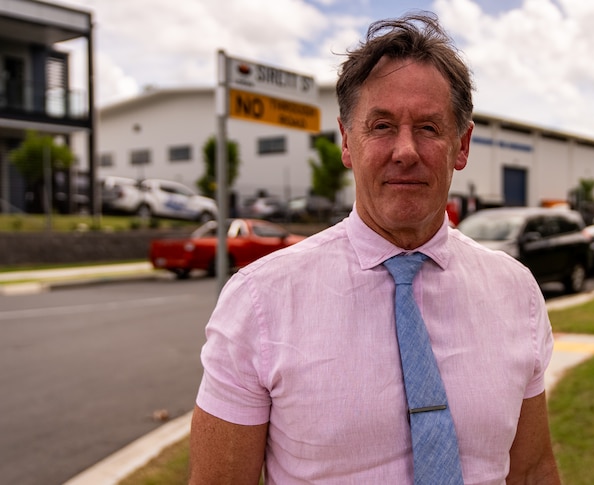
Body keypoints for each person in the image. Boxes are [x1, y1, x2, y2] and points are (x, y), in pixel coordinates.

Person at [189, 12, 561, 484]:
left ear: (461, 146)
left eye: (428, 127)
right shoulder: (259, 301)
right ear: (347, 142)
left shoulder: (516, 292)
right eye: (381, 126)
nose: (405, 150)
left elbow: (530, 472)